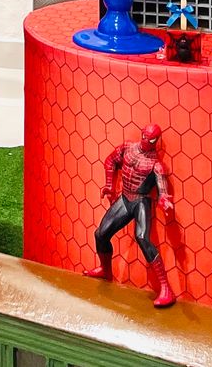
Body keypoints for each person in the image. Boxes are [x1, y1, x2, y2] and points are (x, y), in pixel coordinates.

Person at [85, 123, 176, 308]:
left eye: (151, 140)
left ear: (156, 141)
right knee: (100, 234)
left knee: (142, 238)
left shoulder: (156, 165)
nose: (146, 141)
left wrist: (164, 200)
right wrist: (109, 185)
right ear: (142, 134)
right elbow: (110, 161)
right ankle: (105, 269)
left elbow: (162, 189)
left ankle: (166, 289)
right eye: (145, 137)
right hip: (125, 198)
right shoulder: (128, 148)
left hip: (141, 201)